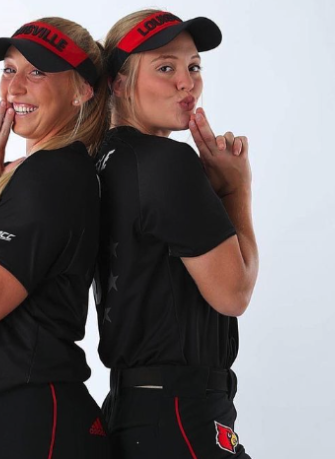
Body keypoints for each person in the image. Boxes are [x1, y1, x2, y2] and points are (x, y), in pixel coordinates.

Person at [0, 17, 111, 459]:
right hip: (4, 416)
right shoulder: (24, 175)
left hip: (32, 416)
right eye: (9, 70)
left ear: (81, 90)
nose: (15, 88)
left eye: (37, 72)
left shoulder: (54, 176)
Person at [94, 10, 259, 459]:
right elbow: (233, 293)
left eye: (194, 67)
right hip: (182, 414)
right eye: (165, 67)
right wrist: (236, 189)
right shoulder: (166, 162)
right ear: (119, 83)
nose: (187, 82)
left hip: (134, 411)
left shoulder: (102, 161)